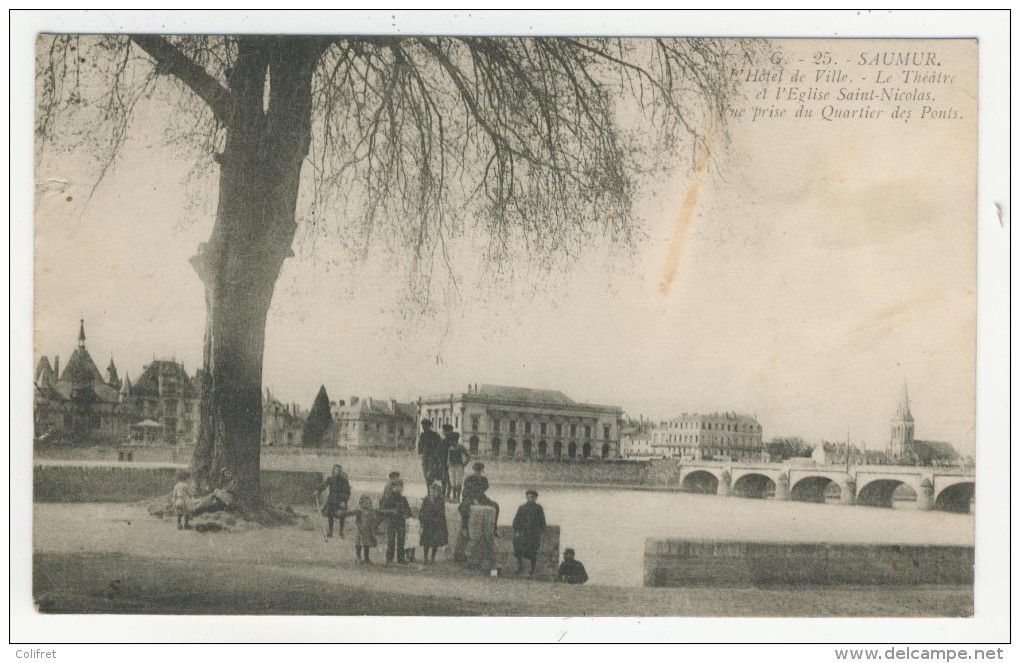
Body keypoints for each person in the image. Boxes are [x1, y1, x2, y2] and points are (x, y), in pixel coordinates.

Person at [512, 489, 547, 577]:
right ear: (526, 497)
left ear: (535, 498)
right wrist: (517, 531)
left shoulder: (539, 508)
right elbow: (516, 521)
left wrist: (539, 533)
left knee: (533, 552)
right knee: (518, 549)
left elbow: (542, 522)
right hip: (523, 534)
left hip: (533, 535)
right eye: (529, 496)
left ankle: (532, 570)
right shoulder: (522, 508)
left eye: (532, 497)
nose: (530, 498)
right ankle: (520, 566)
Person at [458, 461, 500, 534]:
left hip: (481, 498)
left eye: (480, 471)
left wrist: (479, 498)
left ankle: (494, 528)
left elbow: (484, 488)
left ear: (482, 471)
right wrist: (473, 499)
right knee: (464, 507)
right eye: (477, 471)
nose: (478, 472)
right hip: (469, 497)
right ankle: (464, 528)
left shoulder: (484, 479)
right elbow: (465, 491)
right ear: (474, 470)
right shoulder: (469, 479)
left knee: (495, 506)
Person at [379, 479, 413, 564]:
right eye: (397, 486)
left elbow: (408, 511)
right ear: (393, 487)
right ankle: (389, 558)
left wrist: (406, 514)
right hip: (391, 521)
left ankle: (401, 558)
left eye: (401, 486)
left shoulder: (403, 499)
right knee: (391, 539)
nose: (400, 488)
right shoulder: (388, 498)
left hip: (401, 521)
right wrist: (391, 512)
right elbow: (382, 510)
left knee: (401, 540)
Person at [343, 494, 383, 564]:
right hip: (361, 530)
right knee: (359, 544)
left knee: (366, 544)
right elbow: (356, 519)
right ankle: (358, 557)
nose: (367, 505)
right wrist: (360, 527)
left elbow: (379, 513)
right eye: (365, 503)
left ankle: (366, 558)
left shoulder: (372, 511)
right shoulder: (359, 511)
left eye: (368, 503)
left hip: (368, 530)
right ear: (361, 504)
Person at [314, 464, 352, 538]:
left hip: (341, 500)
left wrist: (344, 501)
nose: (335, 472)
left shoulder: (344, 481)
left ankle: (341, 531)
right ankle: (330, 531)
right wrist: (318, 491)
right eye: (334, 470)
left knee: (342, 516)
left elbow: (348, 493)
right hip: (332, 500)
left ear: (340, 471)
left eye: (337, 470)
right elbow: (324, 486)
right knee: (330, 515)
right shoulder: (330, 479)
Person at [418, 482, 449, 564]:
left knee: (435, 542)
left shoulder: (440, 501)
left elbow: (441, 512)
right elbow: (422, 510)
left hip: (436, 524)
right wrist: (422, 519)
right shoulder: (426, 499)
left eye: (434, 492)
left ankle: (432, 558)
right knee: (426, 542)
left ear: (438, 492)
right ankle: (425, 557)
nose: (432, 493)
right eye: (431, 492)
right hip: (428, 523)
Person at [418, 419, 445, 491]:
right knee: (426, 477)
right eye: (423, 426)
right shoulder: (422, 435)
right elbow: (420, 446)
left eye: (426, 426)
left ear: (430, 426)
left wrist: (436, 455)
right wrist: (420, 452)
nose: (424, 427)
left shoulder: (435, 435)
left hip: (432, 458)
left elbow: (440, 446)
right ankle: (429, 492)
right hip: (424, 458)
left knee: (430, 476)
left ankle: (431, 493)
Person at [446, 431, 469, 502]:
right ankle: (454, 497)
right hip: (451, 467)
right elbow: (449, 457)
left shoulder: (461, 447)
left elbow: (468, 456)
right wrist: (448, 463)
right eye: (451, 440)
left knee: (458, 482)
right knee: (452, 482)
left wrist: (465, 463)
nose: (452, 442)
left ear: (456, 440)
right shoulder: (450, 448)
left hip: (459, 466)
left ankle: (458, 497)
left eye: (453, 440)